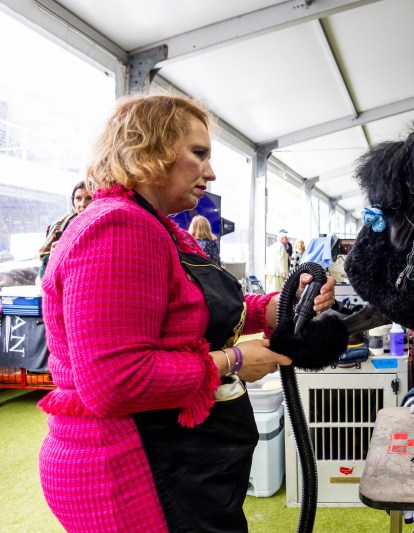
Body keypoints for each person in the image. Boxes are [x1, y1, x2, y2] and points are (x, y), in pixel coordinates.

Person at [37, 93, 336, 532]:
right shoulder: (118, 228)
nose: (210, 173)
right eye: (198, 154)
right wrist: (233, 361)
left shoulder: (157, 226)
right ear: (149, 149)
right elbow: (113, 381)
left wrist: (271, 309)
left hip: (177, 463)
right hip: (132, 471)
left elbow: (193, 307)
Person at [37, 181, 93, 280]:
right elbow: (41, 276)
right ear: (73, 201)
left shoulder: (104, 225)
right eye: (78, 198)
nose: (83, 204)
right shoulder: (61, 226)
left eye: (89, 198)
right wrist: (53, 256)